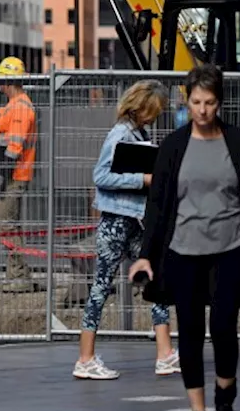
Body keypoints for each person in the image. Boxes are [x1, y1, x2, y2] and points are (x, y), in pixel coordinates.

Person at [129, 64, 240, 411]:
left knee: (224, 328)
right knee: (190, 331)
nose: (203, 110)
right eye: (196, 102)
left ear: (219, 102)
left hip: (228, 250)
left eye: (209, 102)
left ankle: (224, 406)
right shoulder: (174, 146)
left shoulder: (238, 142)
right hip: (182, 252)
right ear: (186, 100)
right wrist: (146, 255)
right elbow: (157, 206)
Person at [74, 80, 179, 380]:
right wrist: (141, 180)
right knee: (102, 286)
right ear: (142, 107)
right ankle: (85, 358)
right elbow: (101, 175)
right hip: (116, 221)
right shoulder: (120, 134)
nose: (155, 117)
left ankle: (165, 353)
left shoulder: (138, 133)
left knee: (153, 278)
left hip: (131, 220)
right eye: (153, 111)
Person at [0, 56, 37, 281]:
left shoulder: (20, 108)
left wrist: (1, 176)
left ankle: (18, 276)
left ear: (8, 82)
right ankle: (19, 274)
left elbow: (14, 148)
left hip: (14, 175)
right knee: (8, 225)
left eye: (1, 79)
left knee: (4, 225)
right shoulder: (14, 106)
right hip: (11, 174)